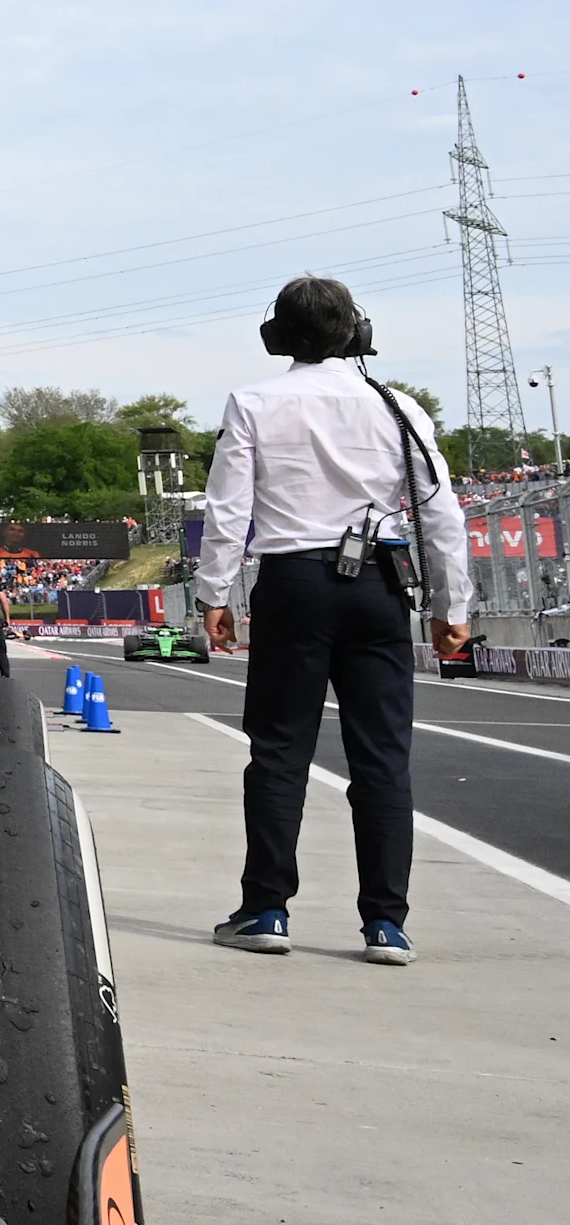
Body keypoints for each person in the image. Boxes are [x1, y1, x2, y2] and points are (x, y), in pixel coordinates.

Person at [197, 275, 471, 966]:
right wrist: (452, 606)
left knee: (280, 749)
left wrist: (214, 594)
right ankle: (386, 923)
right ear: (357, 332)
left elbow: (229, 508)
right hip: (379, 581)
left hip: (293, 582)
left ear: (277, 336)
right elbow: (440, 510)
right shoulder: (397, 404)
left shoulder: (253, 401)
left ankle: (266, 908)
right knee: (382, 756)